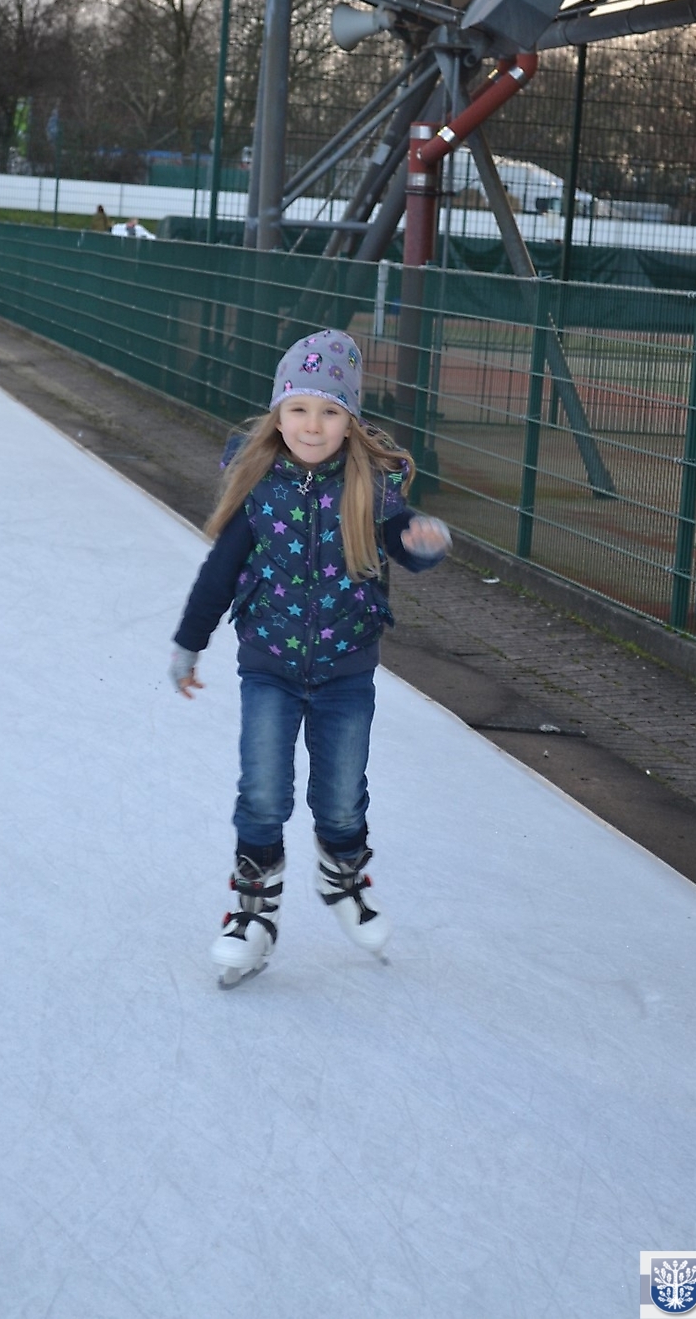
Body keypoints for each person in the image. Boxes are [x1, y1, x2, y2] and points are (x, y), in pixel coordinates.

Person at [170, 328, 451, 985]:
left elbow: (402, 542)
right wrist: (190, 641)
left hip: (346, 672)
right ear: (278, 414)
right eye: (298, 408)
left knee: (342, 799)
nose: (312, 425)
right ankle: (253, 912)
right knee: (262, 793)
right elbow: (219, 573)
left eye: (329, 411)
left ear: (350, 422)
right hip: (268, 666)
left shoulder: (370, 487)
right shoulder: (259, 486)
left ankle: (342, 877)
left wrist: (422, 542)